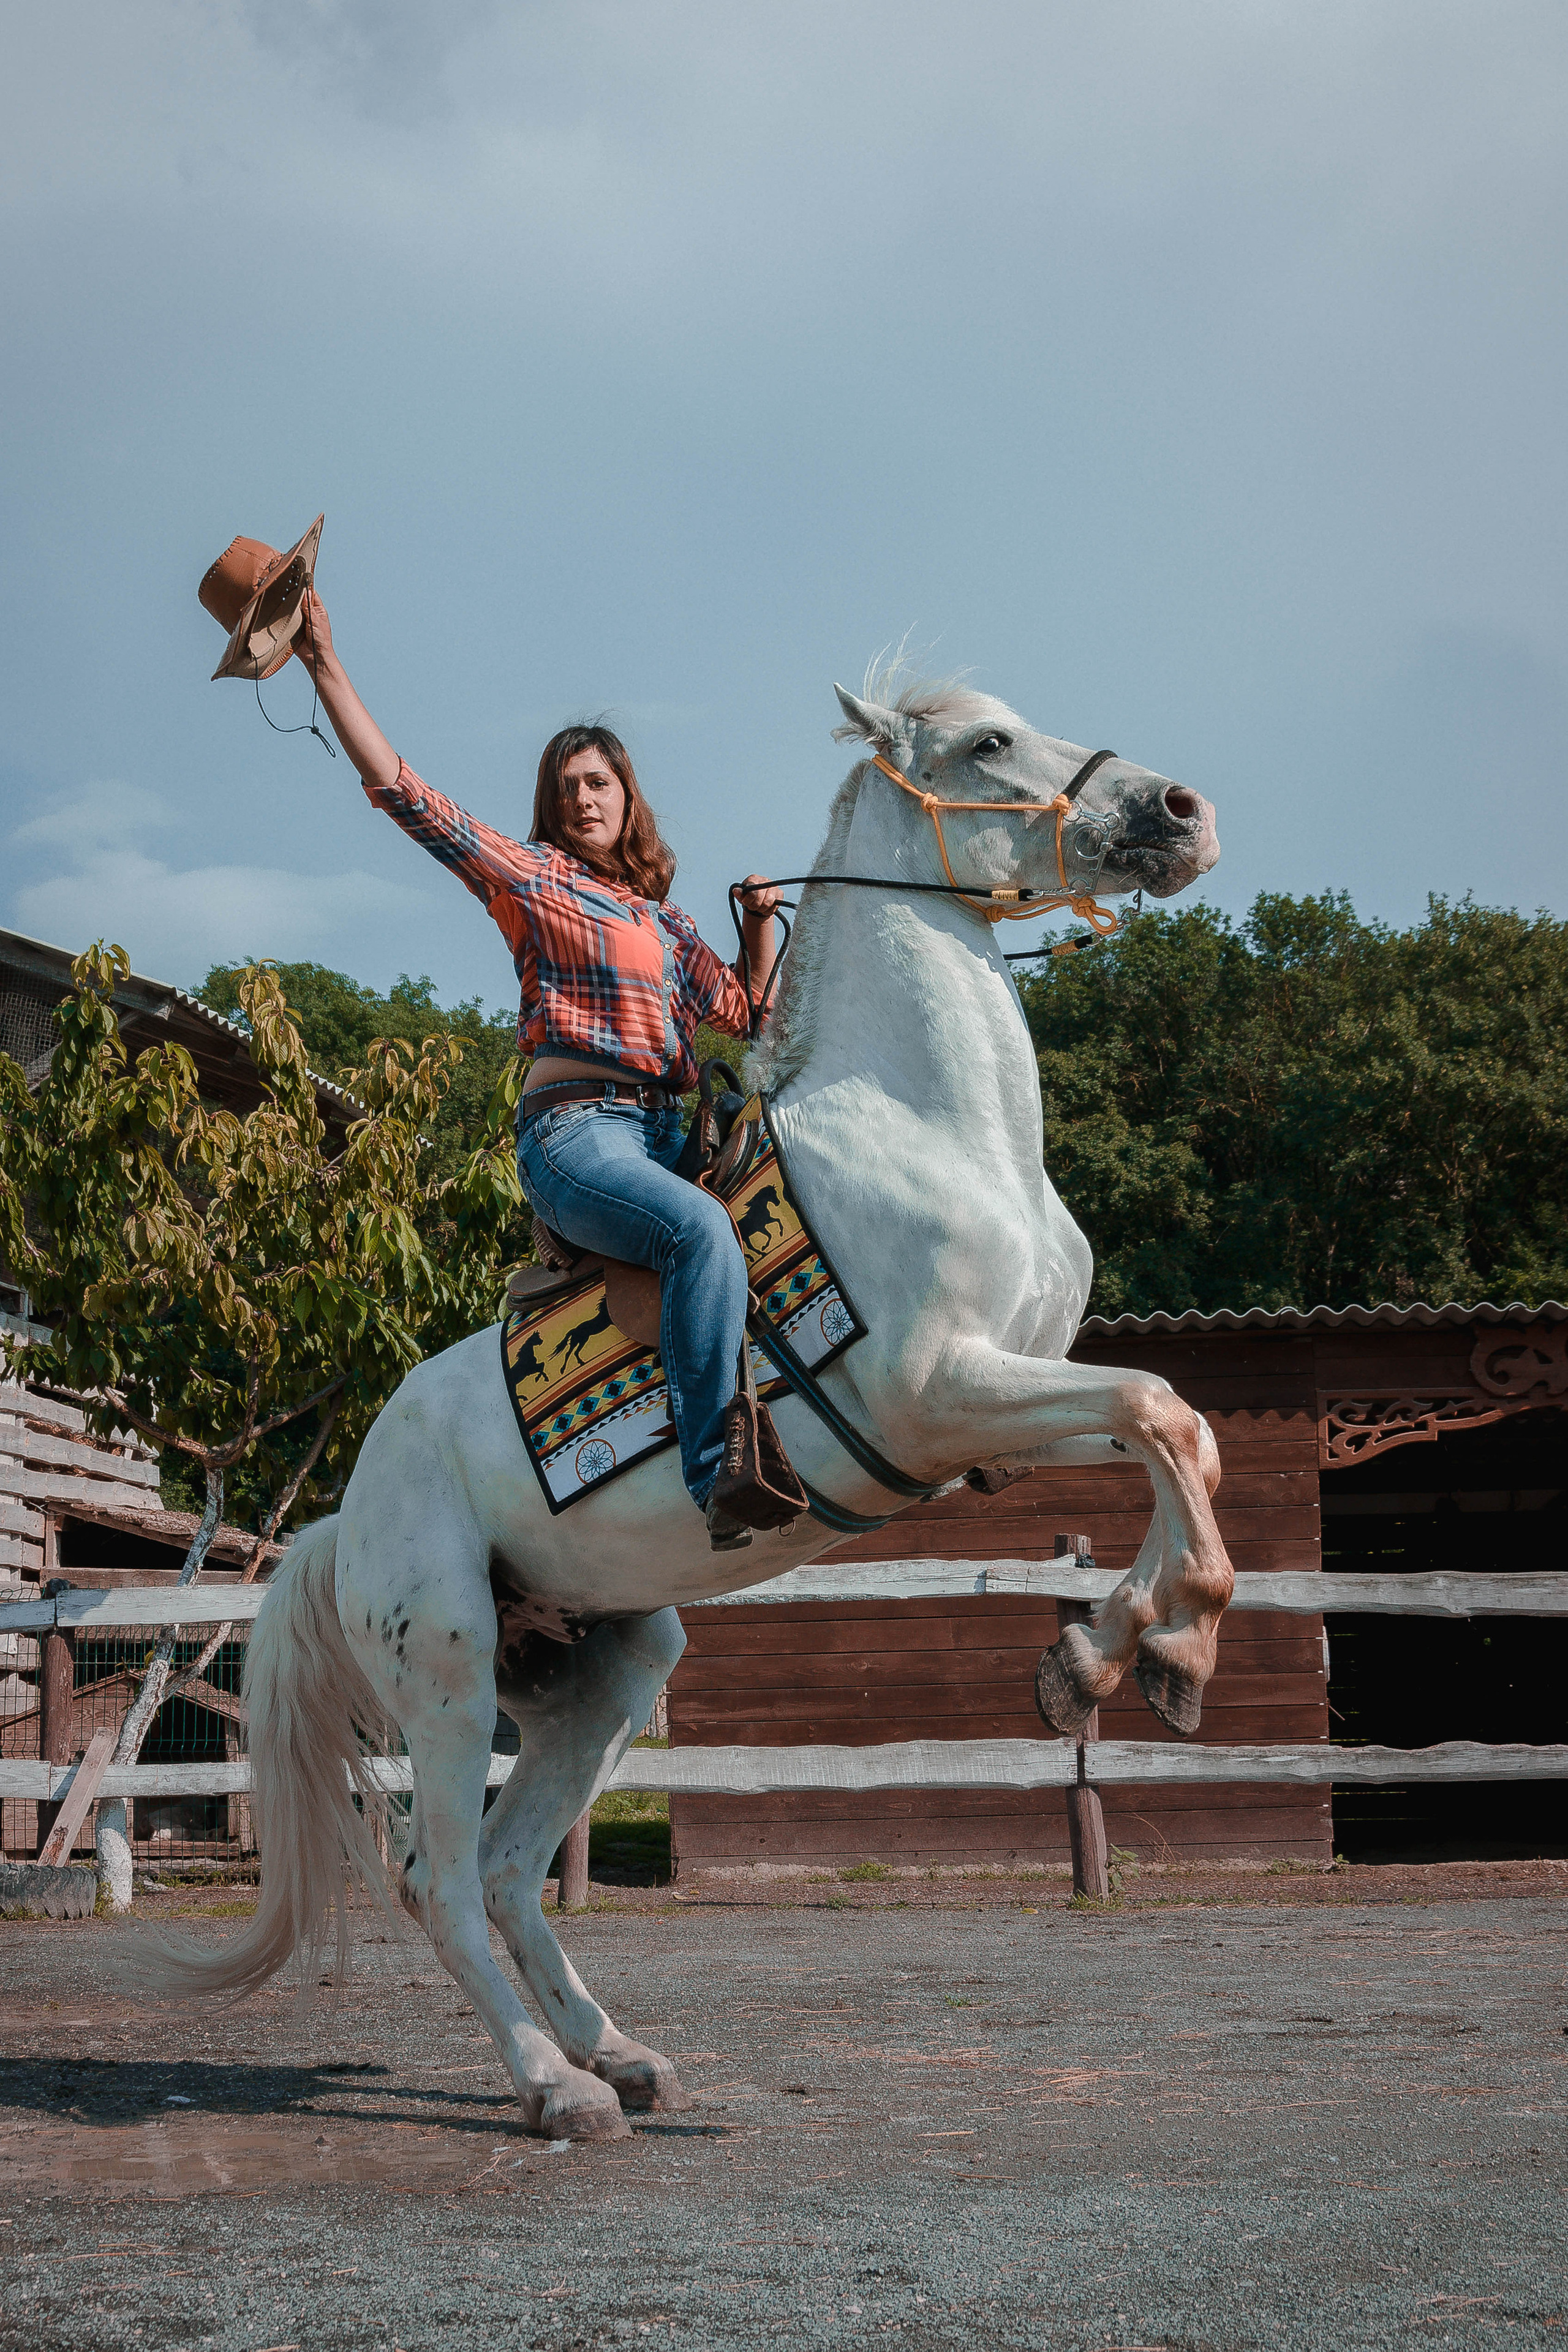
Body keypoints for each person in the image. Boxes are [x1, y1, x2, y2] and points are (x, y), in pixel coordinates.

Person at [290, 594, 780, 1549]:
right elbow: (408, 795)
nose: (584, 800)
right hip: (577, 1132)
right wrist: (325, 666)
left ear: (628, 796)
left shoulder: (673, 926)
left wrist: (758, 924)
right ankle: (715, 1473)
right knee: (700, 1230)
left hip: (668, 1130)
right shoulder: (532, 882)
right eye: (567, 790)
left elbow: (749, 1015)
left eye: (599, 783)